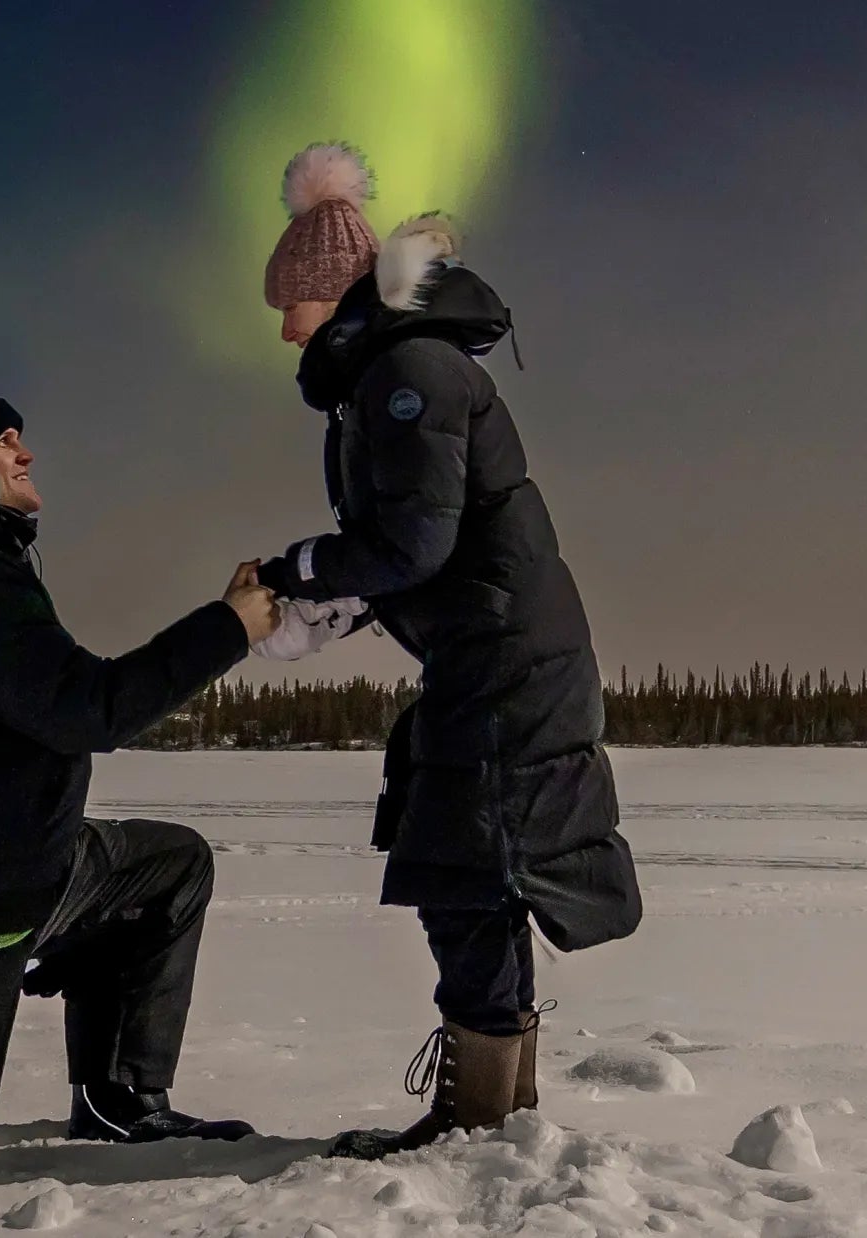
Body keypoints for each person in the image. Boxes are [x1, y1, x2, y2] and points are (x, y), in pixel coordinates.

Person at [251, 144, 641, 1157]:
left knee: (467, 875)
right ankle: (495, 1121)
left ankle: (480, 1123)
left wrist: (297, 569)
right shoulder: (390, 372)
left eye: (288, 300)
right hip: (490, 660)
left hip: (506, 667)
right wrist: (331, 603)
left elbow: (412, 543)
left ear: (328, 291)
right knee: (471, 874)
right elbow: (425, 548)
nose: (280, 326)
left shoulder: (406, 372)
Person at [0, 389, 280, 1189]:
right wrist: (230, 625)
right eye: (6, 443)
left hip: (25, 877)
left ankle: (119, 1097)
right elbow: (88, 708)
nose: (27, 454)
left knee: (168, 865)